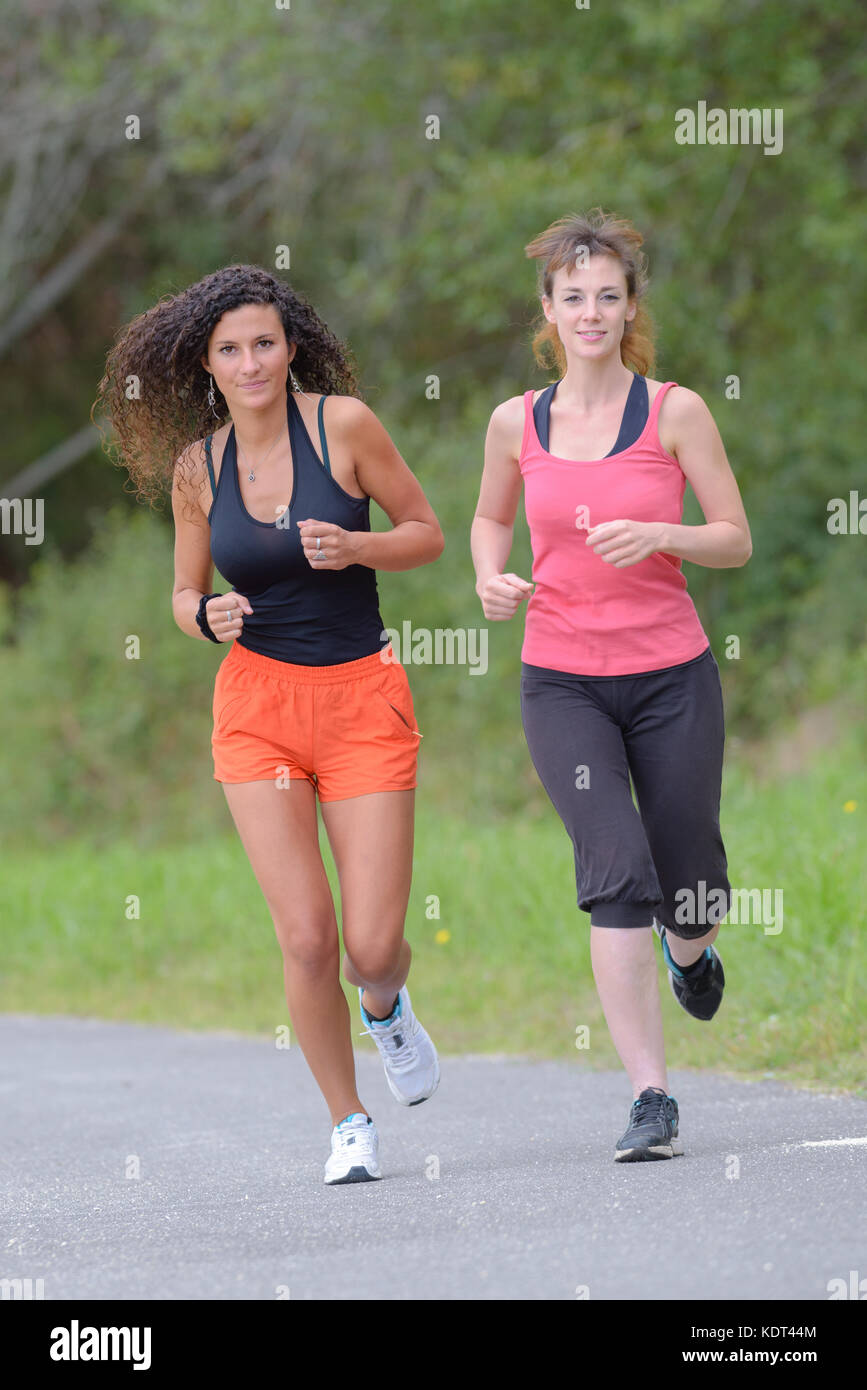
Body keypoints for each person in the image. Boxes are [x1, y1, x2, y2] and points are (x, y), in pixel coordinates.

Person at [93, 264, 443, 1184]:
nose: (249, 363)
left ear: (290, 348)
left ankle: (386, 1005)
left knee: (370, 946)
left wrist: (359, 545)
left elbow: (426, 531)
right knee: (304, 936)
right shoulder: (196, 469)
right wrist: (200, 614)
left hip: (362, 697)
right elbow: (182, 590)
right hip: (259, 713)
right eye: (229, 350)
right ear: (207, 367)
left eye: (263, 343)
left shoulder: (345, 428)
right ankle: (348, 1122)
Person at [471, 210, 751, 1161]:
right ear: (546, 309)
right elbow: (487, 520)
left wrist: (663, 536)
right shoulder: (516, 422)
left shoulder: (674, 412)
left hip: (671, 676)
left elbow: (734, 536)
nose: (589, 312)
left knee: (691, 882)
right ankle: (650, 1095)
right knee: (615, 874)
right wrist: (488, 577)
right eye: (570, 295)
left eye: (606, 295)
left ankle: (694, 952)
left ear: (629, 306)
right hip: (562, 684)